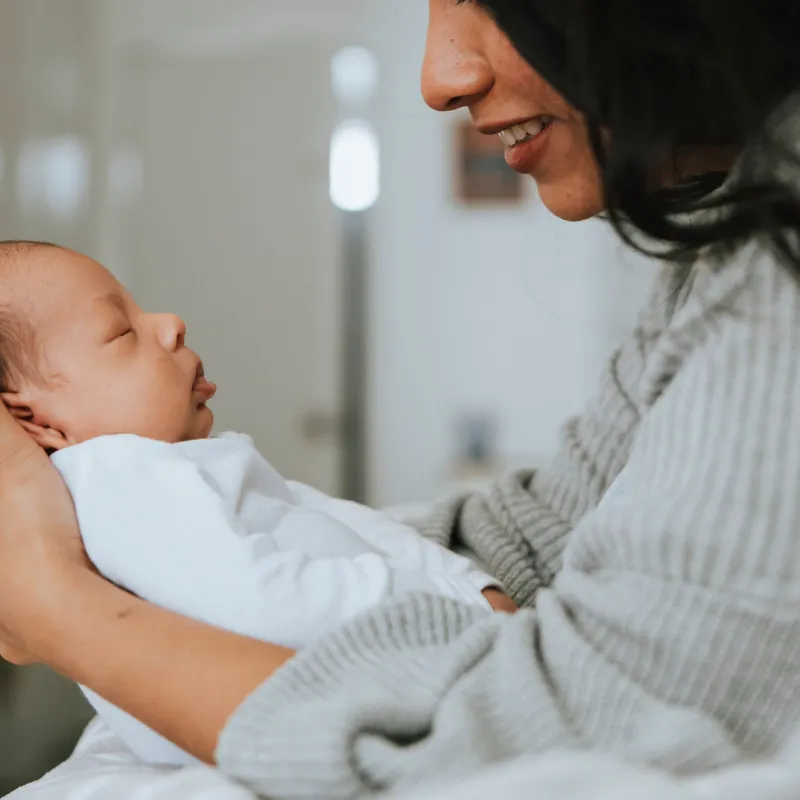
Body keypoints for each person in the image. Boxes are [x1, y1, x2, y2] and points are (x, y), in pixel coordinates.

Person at [3, 0, 800, 797]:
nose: (439, 79)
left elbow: (583, 719)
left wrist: (57, 607)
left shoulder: (775, 268)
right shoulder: (730, 246)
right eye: (120, 334)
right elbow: (540, 534)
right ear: (39, 419)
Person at [0, 242, 505, 767]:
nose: (172, 324)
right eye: (122, 332)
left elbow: (337, 521)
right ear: (36, 420)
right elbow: (262, 606)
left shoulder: (171, 469)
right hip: (294, 711)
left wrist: (467, 584)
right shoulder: (117, 478)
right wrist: (460, 606)